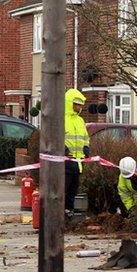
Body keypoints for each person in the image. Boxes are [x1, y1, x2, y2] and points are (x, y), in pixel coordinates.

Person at [64, 88, 89, 216]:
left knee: (73, 189)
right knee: (64, 189)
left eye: (80, 105)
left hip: (78, 161)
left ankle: (69, 210)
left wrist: (86, 148)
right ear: (70, 103)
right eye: (77, 104)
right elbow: (54, 136)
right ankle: (62, 211)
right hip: (65, 161)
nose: (79, 107)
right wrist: (63, 150)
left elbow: (85, 137)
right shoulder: (62, 119)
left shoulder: (80, 121)